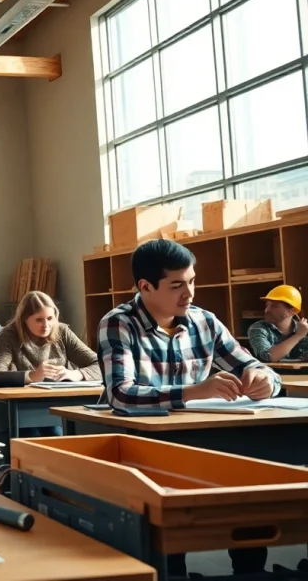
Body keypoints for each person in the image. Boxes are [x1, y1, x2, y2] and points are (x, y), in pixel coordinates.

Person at [98, 239, 280, 577]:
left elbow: (255, 366)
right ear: (145, 286)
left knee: (251, 488)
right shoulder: (119, 322)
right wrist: (195, 391)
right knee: (167, 527)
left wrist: (266, 380)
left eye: (192, 280)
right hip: (146, 446)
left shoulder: (205, 322)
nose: (190, 293)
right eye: (177, 285)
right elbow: (121, 394)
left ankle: (251, 574)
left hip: (208, 438)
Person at [0, 291, 99, 436]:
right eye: (39, 320)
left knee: (56, 436)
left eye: (50, 318)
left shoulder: (62, 332)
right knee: (33, 436)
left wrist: (76, 374)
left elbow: (102, 364)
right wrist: (32, 376)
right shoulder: (9, 334)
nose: (46, 325)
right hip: (24, 406)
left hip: (59, 403)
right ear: (24, 319)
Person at [248, 285, 308, 362]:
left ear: (290, 312)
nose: (267, 310)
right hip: (272, 373)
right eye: (267, 305)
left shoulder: (305, 329)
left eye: (274, 306)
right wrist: (298, 335)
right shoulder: (258, 328)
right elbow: (267, 357)